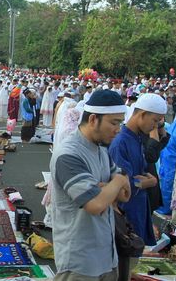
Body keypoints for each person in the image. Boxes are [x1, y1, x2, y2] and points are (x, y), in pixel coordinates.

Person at [51, 90, 130, 280]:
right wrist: (116, 182)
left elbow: (126, 194)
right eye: (114, 123)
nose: (118, 129)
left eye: (120, 123)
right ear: (93, 119)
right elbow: (95, 205)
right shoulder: (68, 154)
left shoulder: (101, 150)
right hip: (79, 261)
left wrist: (106, 191)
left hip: (106, 254)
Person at [109, 93, 167, 247]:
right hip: (127, 211)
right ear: (142, 114)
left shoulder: (138, 137)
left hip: (139, 206)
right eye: (155, 120)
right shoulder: (120, 142)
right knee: (126, 259)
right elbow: (118, 184)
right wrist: (146, 183)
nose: (155, 126)